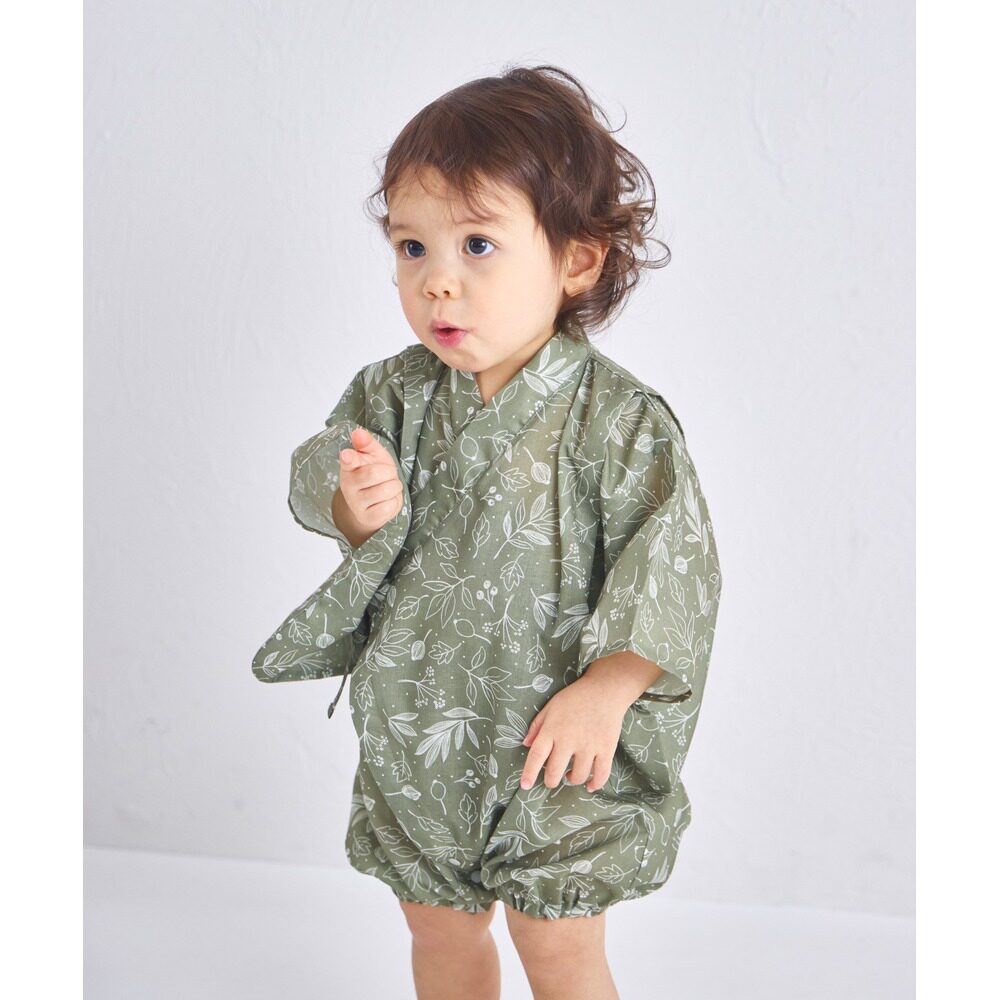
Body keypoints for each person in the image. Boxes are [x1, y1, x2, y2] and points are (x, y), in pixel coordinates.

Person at [252, 63, 723, 1000]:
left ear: (576, 261)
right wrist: (351, 498)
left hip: (559, 737)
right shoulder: (392, 394)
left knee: (558, 944)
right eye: (412, 247)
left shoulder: (619, 422)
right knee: (438, 929)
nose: (438, 282)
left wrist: (610, 688)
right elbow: (319, 471)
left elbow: (673, 562)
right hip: (424, 721)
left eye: (477, 244)